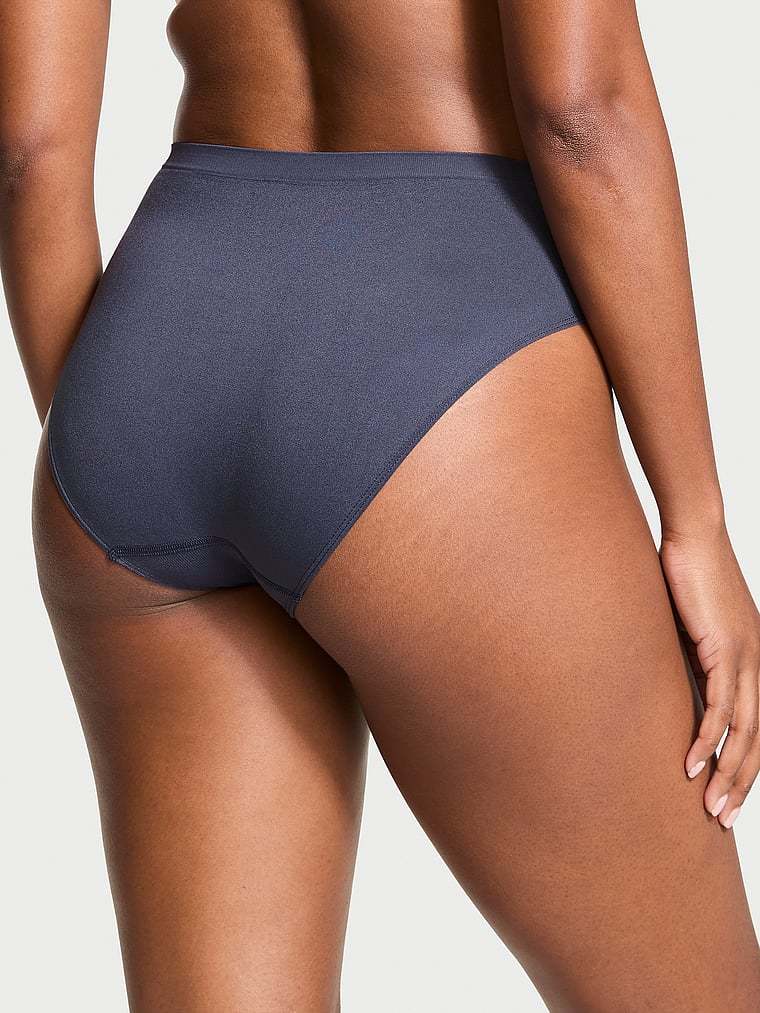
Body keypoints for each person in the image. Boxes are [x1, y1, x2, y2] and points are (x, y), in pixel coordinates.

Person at [2, 1, 759, 1009]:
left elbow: (28, 150)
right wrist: (695, 517)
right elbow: (579, 107)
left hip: (159, 327)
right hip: (435, 334)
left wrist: (110, 438)